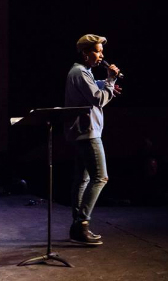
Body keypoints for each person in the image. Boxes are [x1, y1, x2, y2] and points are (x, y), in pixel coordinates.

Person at [64, 34, 122, 245]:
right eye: (97, 51)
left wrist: (106, 85)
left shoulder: (82, 72)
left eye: (101, 52)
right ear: (85, 53)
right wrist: (111, 80)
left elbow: (95, 88)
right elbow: (97, 99)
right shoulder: (79, 72)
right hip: (88, 133)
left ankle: (76, 228)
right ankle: (82, 223)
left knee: (82, 179)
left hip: (83, 132)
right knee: (101, 177)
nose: (101, 55)